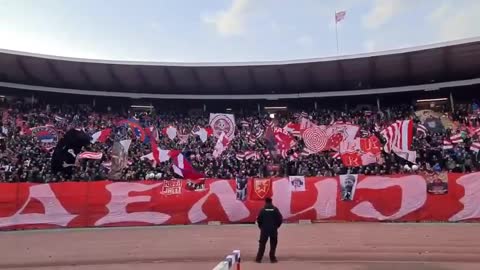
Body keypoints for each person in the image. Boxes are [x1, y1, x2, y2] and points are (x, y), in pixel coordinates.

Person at [255, 197, 283, 263]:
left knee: (262, 244)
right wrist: (277, 226)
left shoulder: (262, 210)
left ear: (265, 202)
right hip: (273, 229)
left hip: (264, 230)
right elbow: (280, 219)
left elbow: (259, 220)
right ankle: (272, 258)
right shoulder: (275, 210)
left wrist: (261, 227)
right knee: (273, 244)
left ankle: (259, 259)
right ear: (271, 202)